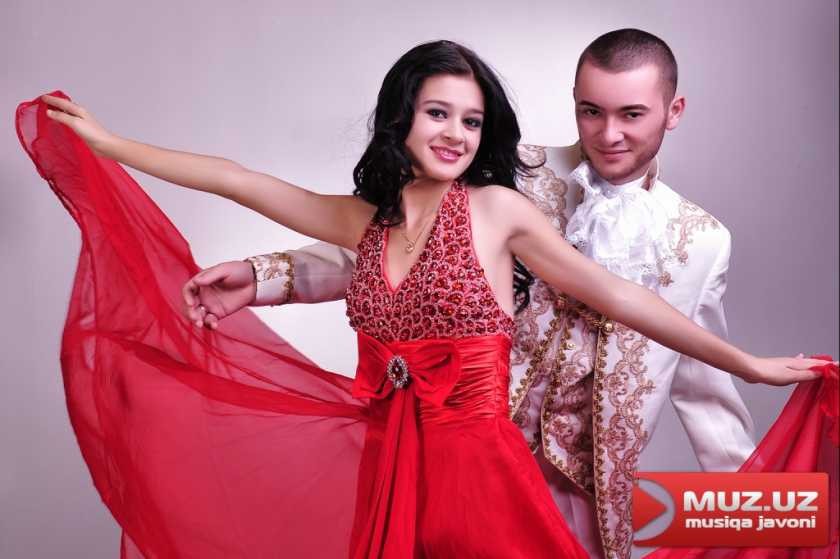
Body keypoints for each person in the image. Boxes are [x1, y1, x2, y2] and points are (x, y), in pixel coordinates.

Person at [28, 39, 822, 559]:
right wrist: (110, 144)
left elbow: (622, 300)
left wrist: (749, 367)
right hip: (395, 470)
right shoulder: (379, 218)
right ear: (401, 118)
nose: (456, 134)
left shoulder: (505, 210)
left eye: (472, 121)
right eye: (438, 113)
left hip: (507, 479)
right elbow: (242, 181)